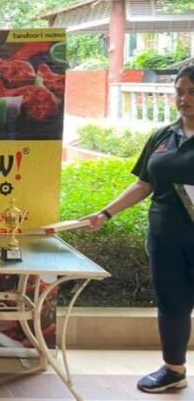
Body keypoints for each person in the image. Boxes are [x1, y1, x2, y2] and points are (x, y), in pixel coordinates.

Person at [82, 64, 194, 393]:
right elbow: (144, 183)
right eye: (180, 92)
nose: (184, 99)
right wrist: (105, 213)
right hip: (165, 238)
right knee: (171, 302)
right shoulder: (164, 135)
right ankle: (174, 369)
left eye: (192, 92)